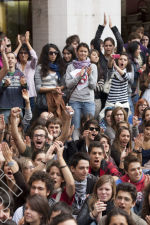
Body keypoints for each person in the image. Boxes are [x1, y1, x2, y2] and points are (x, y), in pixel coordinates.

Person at [65, 42, 97, 140]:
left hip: (88, 100)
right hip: (75, 100)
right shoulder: (71, 66)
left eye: (85, 51)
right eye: (81, 51)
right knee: (75, 126)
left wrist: (89, 74)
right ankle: (75, 147)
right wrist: (79, 76)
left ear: (88, 53)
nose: (83, 53)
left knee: (91, 126)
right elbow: (68, 85)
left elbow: (93, 86)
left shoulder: (93, 66)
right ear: (77, 52)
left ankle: (90, 148)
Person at [93, 13, 124, 109]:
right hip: (102, 89)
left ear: (113, 47)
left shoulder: (116, 56)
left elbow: (120, 41)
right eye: (106, 45)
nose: (108, 47)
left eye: (110, 45)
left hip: (114, 89)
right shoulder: (100, 57)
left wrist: (112, 27)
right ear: (103, 47)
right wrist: (102, 26)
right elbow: (96, 41)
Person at [34, 43, 65, 116]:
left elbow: (63, 84)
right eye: (51, 53)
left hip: (57, 98)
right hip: (44, 99)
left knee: (56, 122)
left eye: (55, 53)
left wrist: (59, 88)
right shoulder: (40, 67)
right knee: (44, 120)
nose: (53, 55)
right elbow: (38, 88)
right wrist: (53, 89)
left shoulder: (60, 67)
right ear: (46, 54)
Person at [46, 140, 75, 205]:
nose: (54, 176)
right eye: (52, 173)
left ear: (63, 179)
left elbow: (71, 184)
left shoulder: (65, 194)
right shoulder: (42, 191)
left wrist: (60, 157)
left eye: (58, 175)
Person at [14, 31, 38, 111]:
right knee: (19, 117)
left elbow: (35, 56)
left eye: (25, 53)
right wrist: (20, 45)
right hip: (17, 95)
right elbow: (11, 57)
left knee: (30, 118)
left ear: (28, 55)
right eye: (21, 53)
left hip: (30, 95)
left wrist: (27, 42)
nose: (23, 55)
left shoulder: (31, 65)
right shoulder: (16, 64)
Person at [0, 51, 26, 123]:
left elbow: (26, 91)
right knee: (4, 131)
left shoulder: (20, 74)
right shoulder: (1, 74)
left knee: (17, 130)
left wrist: (24, 85)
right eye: (8, 58)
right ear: (4, 60)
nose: (10, 60)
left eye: (12, 58)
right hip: (4, 108)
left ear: (16, 61)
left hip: (18, 108)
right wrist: (4, 86)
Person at [69, 152, 97, 216]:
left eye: (87, 168)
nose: (85, 171)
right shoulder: (65, 182)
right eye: (81, 168)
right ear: (72, 168)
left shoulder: (93, 181)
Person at [89, 49, 104, 119]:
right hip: (85, 98)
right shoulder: (84, 67)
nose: (96, 57)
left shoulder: (100, 70)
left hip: (96, 99)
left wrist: (92, 85)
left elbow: (101, 87)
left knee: (93, 120)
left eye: (98, 56)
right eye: (94, 55)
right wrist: (94, 84)